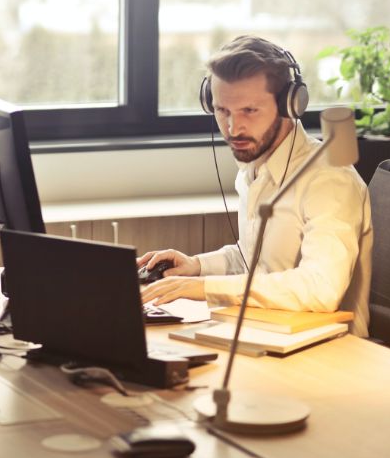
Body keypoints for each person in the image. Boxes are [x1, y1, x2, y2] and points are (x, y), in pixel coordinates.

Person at [139, 35, 373, 337]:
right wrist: (196, 266)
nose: (233, 128)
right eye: (222, 111)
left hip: (328, 349)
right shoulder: (253, 169)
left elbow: (321, 288)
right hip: (264, 332)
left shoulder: (330, 180)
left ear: (290, 105)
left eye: (249, 111)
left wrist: (203, 287)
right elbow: (255, 261)